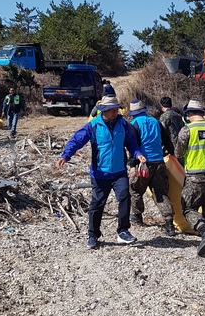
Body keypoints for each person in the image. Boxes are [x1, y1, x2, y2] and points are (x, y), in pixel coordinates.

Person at [57, 95, 147, 249]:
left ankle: (123, 231)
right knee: (97, 204)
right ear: (103, 110)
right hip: (100, 173)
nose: (115, 112)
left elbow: (131, 143)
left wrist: (138, 154)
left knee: (125, 197)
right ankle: (93, 235)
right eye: (111, 110)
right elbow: (77, 140)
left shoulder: (123, 124)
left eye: (116, 109)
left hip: (119, 172)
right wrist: (66, 155)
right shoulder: (93, 126)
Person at [174, 99, 205, 257]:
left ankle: (204, 233)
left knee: (188, 208)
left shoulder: (187, 130)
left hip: (195, 176)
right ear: (203, 113)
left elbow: (178, 153)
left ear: (189, 114)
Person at [127, 100, 175, 236]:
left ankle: (137, 217)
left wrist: (132, 165)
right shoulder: (156, 122)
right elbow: (167, 141)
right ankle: (169, 223)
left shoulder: (134, 124)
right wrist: (172, 154)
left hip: (143, 163)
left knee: (135, 190)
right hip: (159, 162)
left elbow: (133, 146)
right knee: (160, 193)